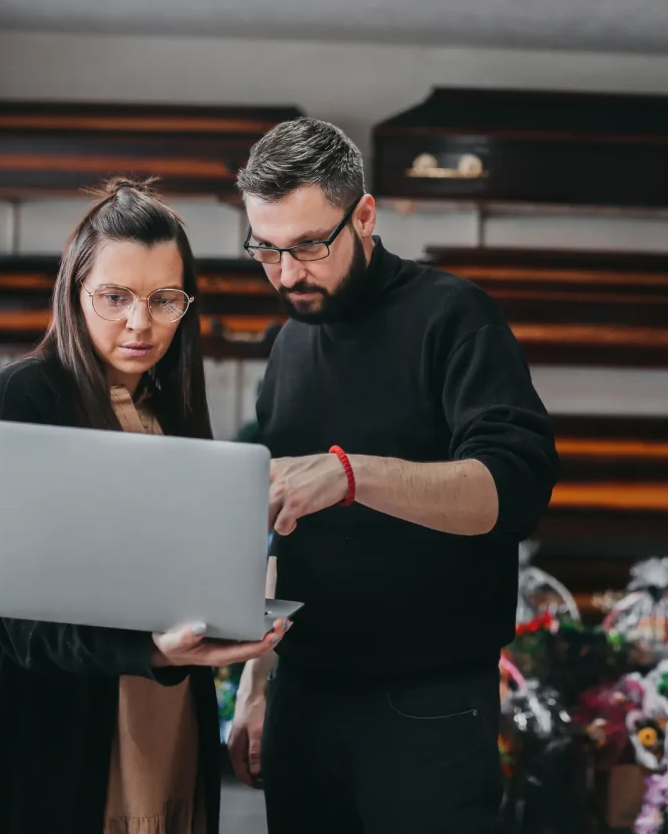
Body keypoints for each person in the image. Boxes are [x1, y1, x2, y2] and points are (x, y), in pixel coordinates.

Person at [227, 118, 560, 833]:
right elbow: (278, 533)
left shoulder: (454, 317)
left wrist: (351, 476)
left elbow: (514, 490)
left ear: (365, 216)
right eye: (266, 249)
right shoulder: (287, 343)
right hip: (303, 696)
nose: (287, 274)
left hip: (426, 707)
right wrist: (255, 683)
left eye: (310, 246)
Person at [0, 178, 288, 834]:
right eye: (116, 296)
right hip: (46, 743)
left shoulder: (169, 411)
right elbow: (20, 625)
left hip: (160, 723)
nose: (140, 322)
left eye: (165, 299)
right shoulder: (14, 405)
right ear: (75, 292)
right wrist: (155, 651)